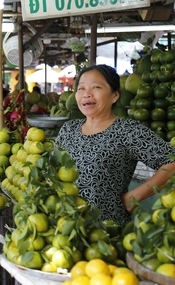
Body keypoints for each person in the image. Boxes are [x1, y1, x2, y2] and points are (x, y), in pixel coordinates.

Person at [55, 64, 175, 226]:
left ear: (115, 95)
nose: (87, 94)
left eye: (96, 87)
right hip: (65, 226)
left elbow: (171, 162)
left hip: (107, 231)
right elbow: (53, 170)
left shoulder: (128, 130)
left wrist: (135, 197)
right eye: (81, 88)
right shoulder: (69, 129)